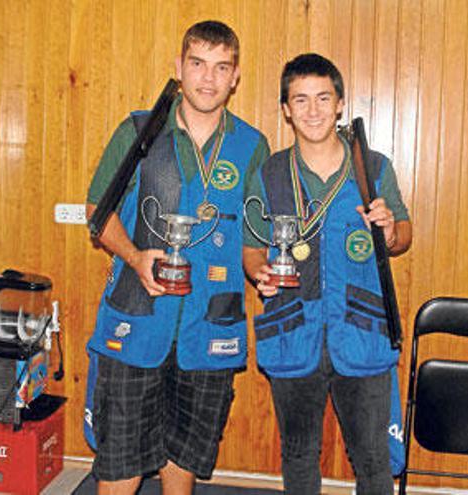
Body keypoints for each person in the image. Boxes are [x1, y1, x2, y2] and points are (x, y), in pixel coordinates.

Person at [84, 20, 269, 495]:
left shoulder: (252, 145)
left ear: (235, 77)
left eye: (220, 67)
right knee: (119, 464)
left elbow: (253, 239)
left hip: (211, 331)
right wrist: (132, 255)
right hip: (137, 320)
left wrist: (263, 271)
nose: (208, 79)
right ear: (179, 68)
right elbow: (95, 212)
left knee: (182, 464)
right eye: (198, 64)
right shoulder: (139, 130)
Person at [243, 53, 412, 495]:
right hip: (293, 332)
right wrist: (259, 271)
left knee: (373, 459)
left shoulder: (372, 168)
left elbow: (404, 235)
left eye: (323, 98)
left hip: (361, 332)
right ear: (286, 109)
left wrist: (392, 230)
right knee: (298, 455)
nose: (313, 110)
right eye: (301, 100)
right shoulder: (270, 173)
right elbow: (250, 248)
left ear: (340, 103)